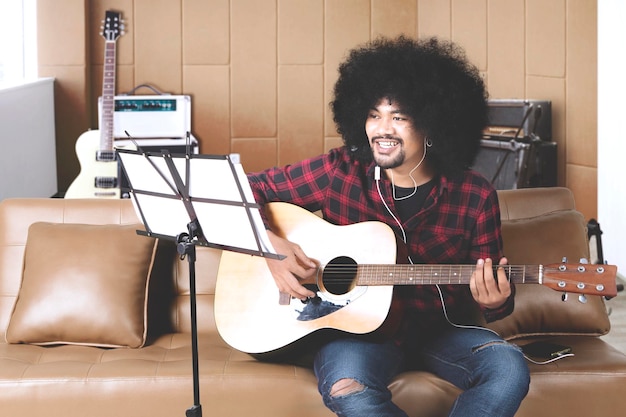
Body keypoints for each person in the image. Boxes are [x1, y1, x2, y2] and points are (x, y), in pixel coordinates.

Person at [246, 36, 530, 417]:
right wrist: (270, 244)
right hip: (356, 335)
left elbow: (494, 295)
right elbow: (244, 187)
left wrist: (495, 300)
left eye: (399, 117)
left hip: (439, 332)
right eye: (373, 115)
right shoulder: (340, 171)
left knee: (509, 369)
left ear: (433, 123)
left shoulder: (474, 195)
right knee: (350, 390)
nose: (383, 129)